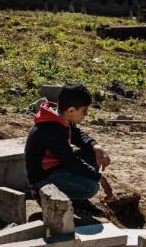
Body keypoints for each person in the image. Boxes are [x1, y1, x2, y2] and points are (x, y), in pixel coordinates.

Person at [25, 84, 113, 215]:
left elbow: (77, 135)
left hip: (57, 166)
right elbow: (70, 161)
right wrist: (99, 178)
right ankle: (62, 199)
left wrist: (96, 147)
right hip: (43, 178)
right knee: (91, 188)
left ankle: (76, 198)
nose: (86, 114)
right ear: (71, 110)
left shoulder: (60, 116)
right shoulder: (51, 128)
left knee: (91, 153)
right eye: (84, 110)